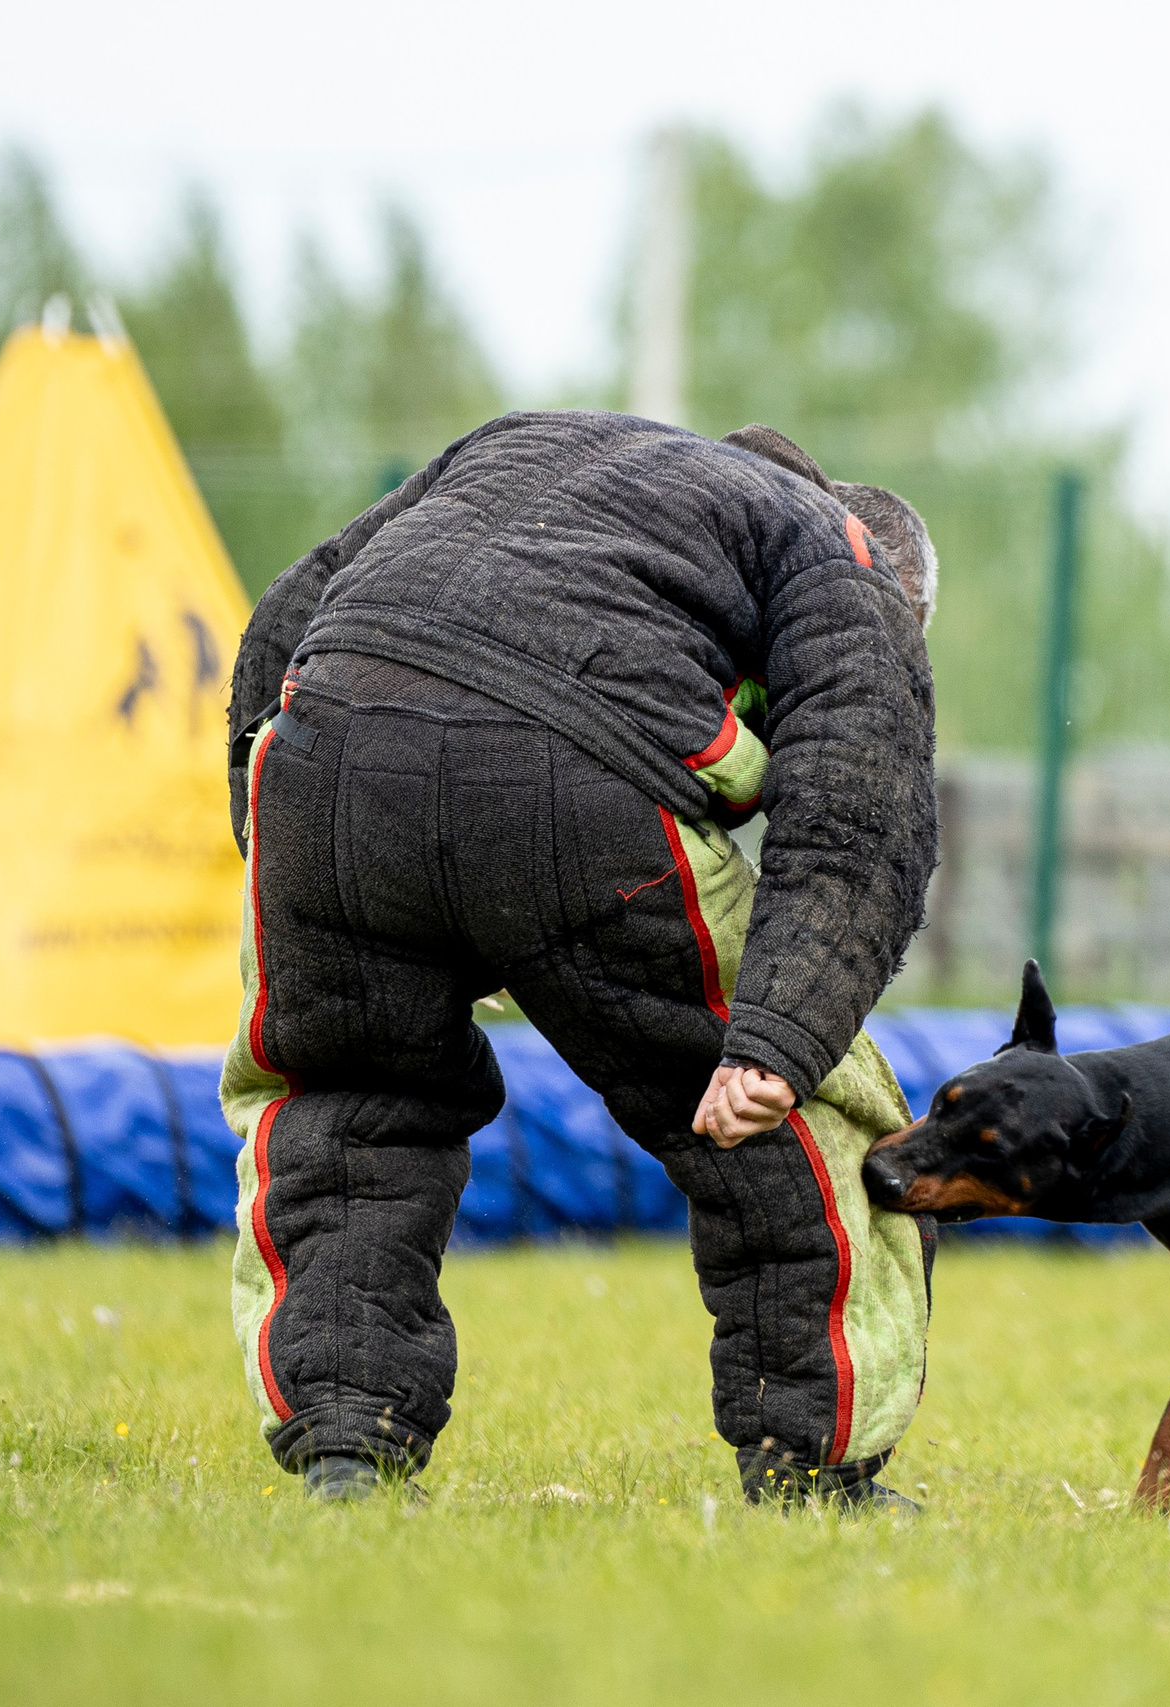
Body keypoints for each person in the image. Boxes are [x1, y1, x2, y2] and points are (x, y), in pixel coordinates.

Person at [220, 412, 940, 1508]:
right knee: (813, 1122)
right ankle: (817, 1471)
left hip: (325, 762)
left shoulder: (525, 446)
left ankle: (344, 1445)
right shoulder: (836, 551)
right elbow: (855, 811)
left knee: (346, 1107)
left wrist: (268, 834)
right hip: (575, 780)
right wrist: (781, 1038)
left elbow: (290, 608)